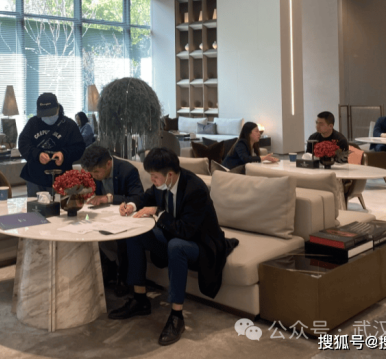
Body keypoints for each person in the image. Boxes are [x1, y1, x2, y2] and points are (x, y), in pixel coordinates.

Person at [109, 148, 238, 346]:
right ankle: (140, 299)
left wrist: (158, 212)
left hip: (201, 244)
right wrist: (131, 206)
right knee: (135, 233)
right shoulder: (162, 183)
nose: (152, 180)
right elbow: (147, 196)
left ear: (169, 175)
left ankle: (177, 316)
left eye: (154, 176)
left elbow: (186, 231)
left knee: (177, 246)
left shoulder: (195, 189)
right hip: (173, 234)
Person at [81, 144, 144, 294]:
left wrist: (108, 198)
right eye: (91, 173)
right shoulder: (94, 173)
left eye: (96, 172)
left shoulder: (127, 170)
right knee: (87, 230)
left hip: (125, 216)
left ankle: (123, 278)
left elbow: (138, 197)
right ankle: (106, 270)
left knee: (124, 237)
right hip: (104, 215)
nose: (94, 176)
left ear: (108, 164)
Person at [18, 93, 86, 197]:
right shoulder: (33, 123)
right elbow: (23, 144)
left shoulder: (69, 125)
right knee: (35, 206)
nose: (48, 117)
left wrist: (64, 154)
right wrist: (37, 154)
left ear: (58, 108)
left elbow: (79, 147)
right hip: (35, 177)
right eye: (44, 115)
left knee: (60, 206)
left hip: (62, 178)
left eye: (50, 114)